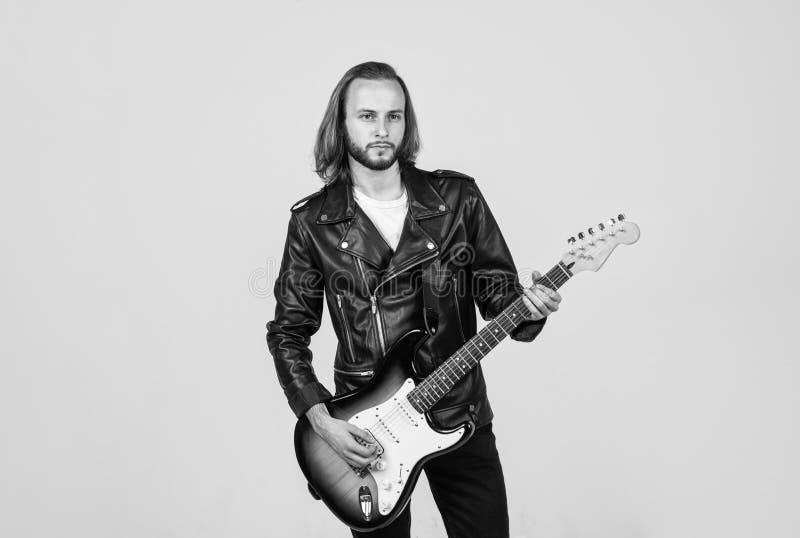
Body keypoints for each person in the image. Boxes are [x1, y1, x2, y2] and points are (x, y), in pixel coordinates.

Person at [266, 61, 562, 538]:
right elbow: (288, 332)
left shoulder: (458, 198)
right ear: (340, 125)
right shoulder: (312, 222)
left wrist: (529, 308)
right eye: (367, 116)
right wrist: (321, 419)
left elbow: (499, 296)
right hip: (365, 426)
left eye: (394, 116)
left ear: (407, 124)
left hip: (457, 409)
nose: (382, 129)